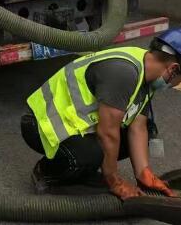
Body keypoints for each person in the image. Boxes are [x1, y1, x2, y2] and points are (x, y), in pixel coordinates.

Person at [21, 29, 181, 200]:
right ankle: (48, 171)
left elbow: (138, 127)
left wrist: (144, 174)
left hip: (75, 124)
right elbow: (107, 133)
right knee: (94, 152)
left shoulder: (147, 71)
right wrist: (114, 181)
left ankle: (84, 167)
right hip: (41, 124)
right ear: (173, 69)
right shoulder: (124, 73)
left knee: (146, 129)